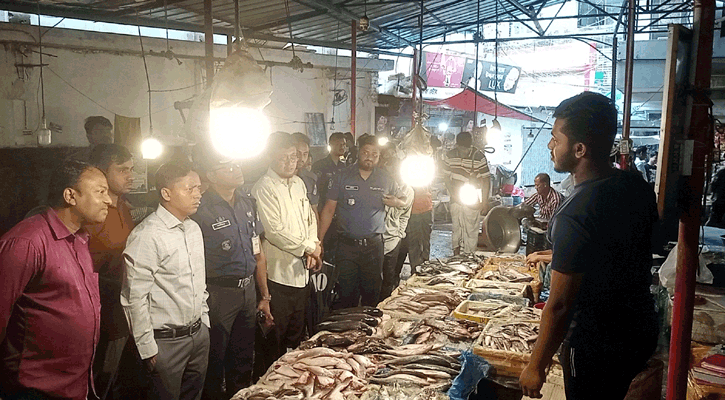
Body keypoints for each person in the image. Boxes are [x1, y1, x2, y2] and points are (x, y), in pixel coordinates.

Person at [519, 92, 658, 399]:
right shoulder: (637, 187)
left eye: (556, 139)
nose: (550, 147)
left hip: (593, 343)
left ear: (579, 149)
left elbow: (559, 305)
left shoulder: (575, 212)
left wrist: (536, 365)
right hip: (639, 329)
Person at [0, 159, 111, 400]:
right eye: (101, 192)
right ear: (71, 196)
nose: (109, 200)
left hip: (76, 384)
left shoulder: (80, 238)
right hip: (34, 389)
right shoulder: (26, 242)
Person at [122, 161, 210, 400]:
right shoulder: (147, 235)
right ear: (166, 193)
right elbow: (133, 297)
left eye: (199, 188)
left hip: (198, 334)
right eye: (190, 188)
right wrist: (147, 347)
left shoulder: (193, 229)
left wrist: (204, 321)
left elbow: (198, 281)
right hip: (165, 342)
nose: (197, 194)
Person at [191, 155, 270, 400]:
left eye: (237, 164)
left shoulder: (247, 203)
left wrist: (264, 296)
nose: (237, 169)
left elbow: (258, 252)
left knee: (243, 356)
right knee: (215, 358)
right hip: (218, 293)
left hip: (247, 291)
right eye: (228, 167)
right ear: (212, 176)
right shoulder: (200, 209)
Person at [252, 133, 321, 362]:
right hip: (278, 277)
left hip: (301, 275)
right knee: (273, 343)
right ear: (271, 158)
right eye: (283, 158)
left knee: (296, 337)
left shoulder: (299, 183)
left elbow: (310, 219)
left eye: (293, 157)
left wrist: (313, 245)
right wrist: (308, 248)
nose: (290, 162)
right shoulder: (264, 187)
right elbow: (274, 231)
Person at [318, 135, 404, 309]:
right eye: (366, 152)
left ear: (379, 156)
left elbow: (402, 200)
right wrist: (318, 241)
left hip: (374, 247)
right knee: (347, 295)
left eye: (375, 154)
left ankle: (368, 335)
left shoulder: (385, 178)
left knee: (372, 295)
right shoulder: (342, 176)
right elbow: (328, 209)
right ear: (358, 153)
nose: (370, 157)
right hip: (346, 246)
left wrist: (397, 202)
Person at [86, 144, 137, 400]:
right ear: (101, 173)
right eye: (122, 170)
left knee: (116, 374)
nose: (131, 176)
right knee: (98, 374)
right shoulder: (90, 214)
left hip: (121, 303)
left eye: (132, 169)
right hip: (97, 304)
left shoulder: (124, 206)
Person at [442, 131, 491, 255]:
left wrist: (485, 202)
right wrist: (452, 194)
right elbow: (446, 177)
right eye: (462, 148)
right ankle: (456, 255)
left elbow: (486, 180)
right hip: (455, 197)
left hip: (472, 197)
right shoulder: (450, 155)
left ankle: (470, 255)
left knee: (471, 228)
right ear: (457, 145)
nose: (464, 151)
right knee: (456, 227)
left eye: (467, 148)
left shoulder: (479, 156)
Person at [380, 158, 414, 299]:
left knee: (390, 275)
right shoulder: (381, 186)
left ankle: (384, 305)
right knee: (373, 277)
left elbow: (405, 215)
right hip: (375, 238)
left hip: (393, 240)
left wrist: (399, 234)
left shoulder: (409, 191)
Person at [312, 132, 348, 261]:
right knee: (325, 250)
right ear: (331, 145)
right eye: (339, 144)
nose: (342, 147)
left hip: (341, 216)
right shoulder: (320, 166)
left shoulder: (346, 167)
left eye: (344, 144)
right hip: (324, 213)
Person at [291, 132, 320, 218]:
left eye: (305, 154)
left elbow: (314, 211)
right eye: (298, 153)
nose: (301, 158)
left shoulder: (310, 179)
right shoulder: (276, 180)